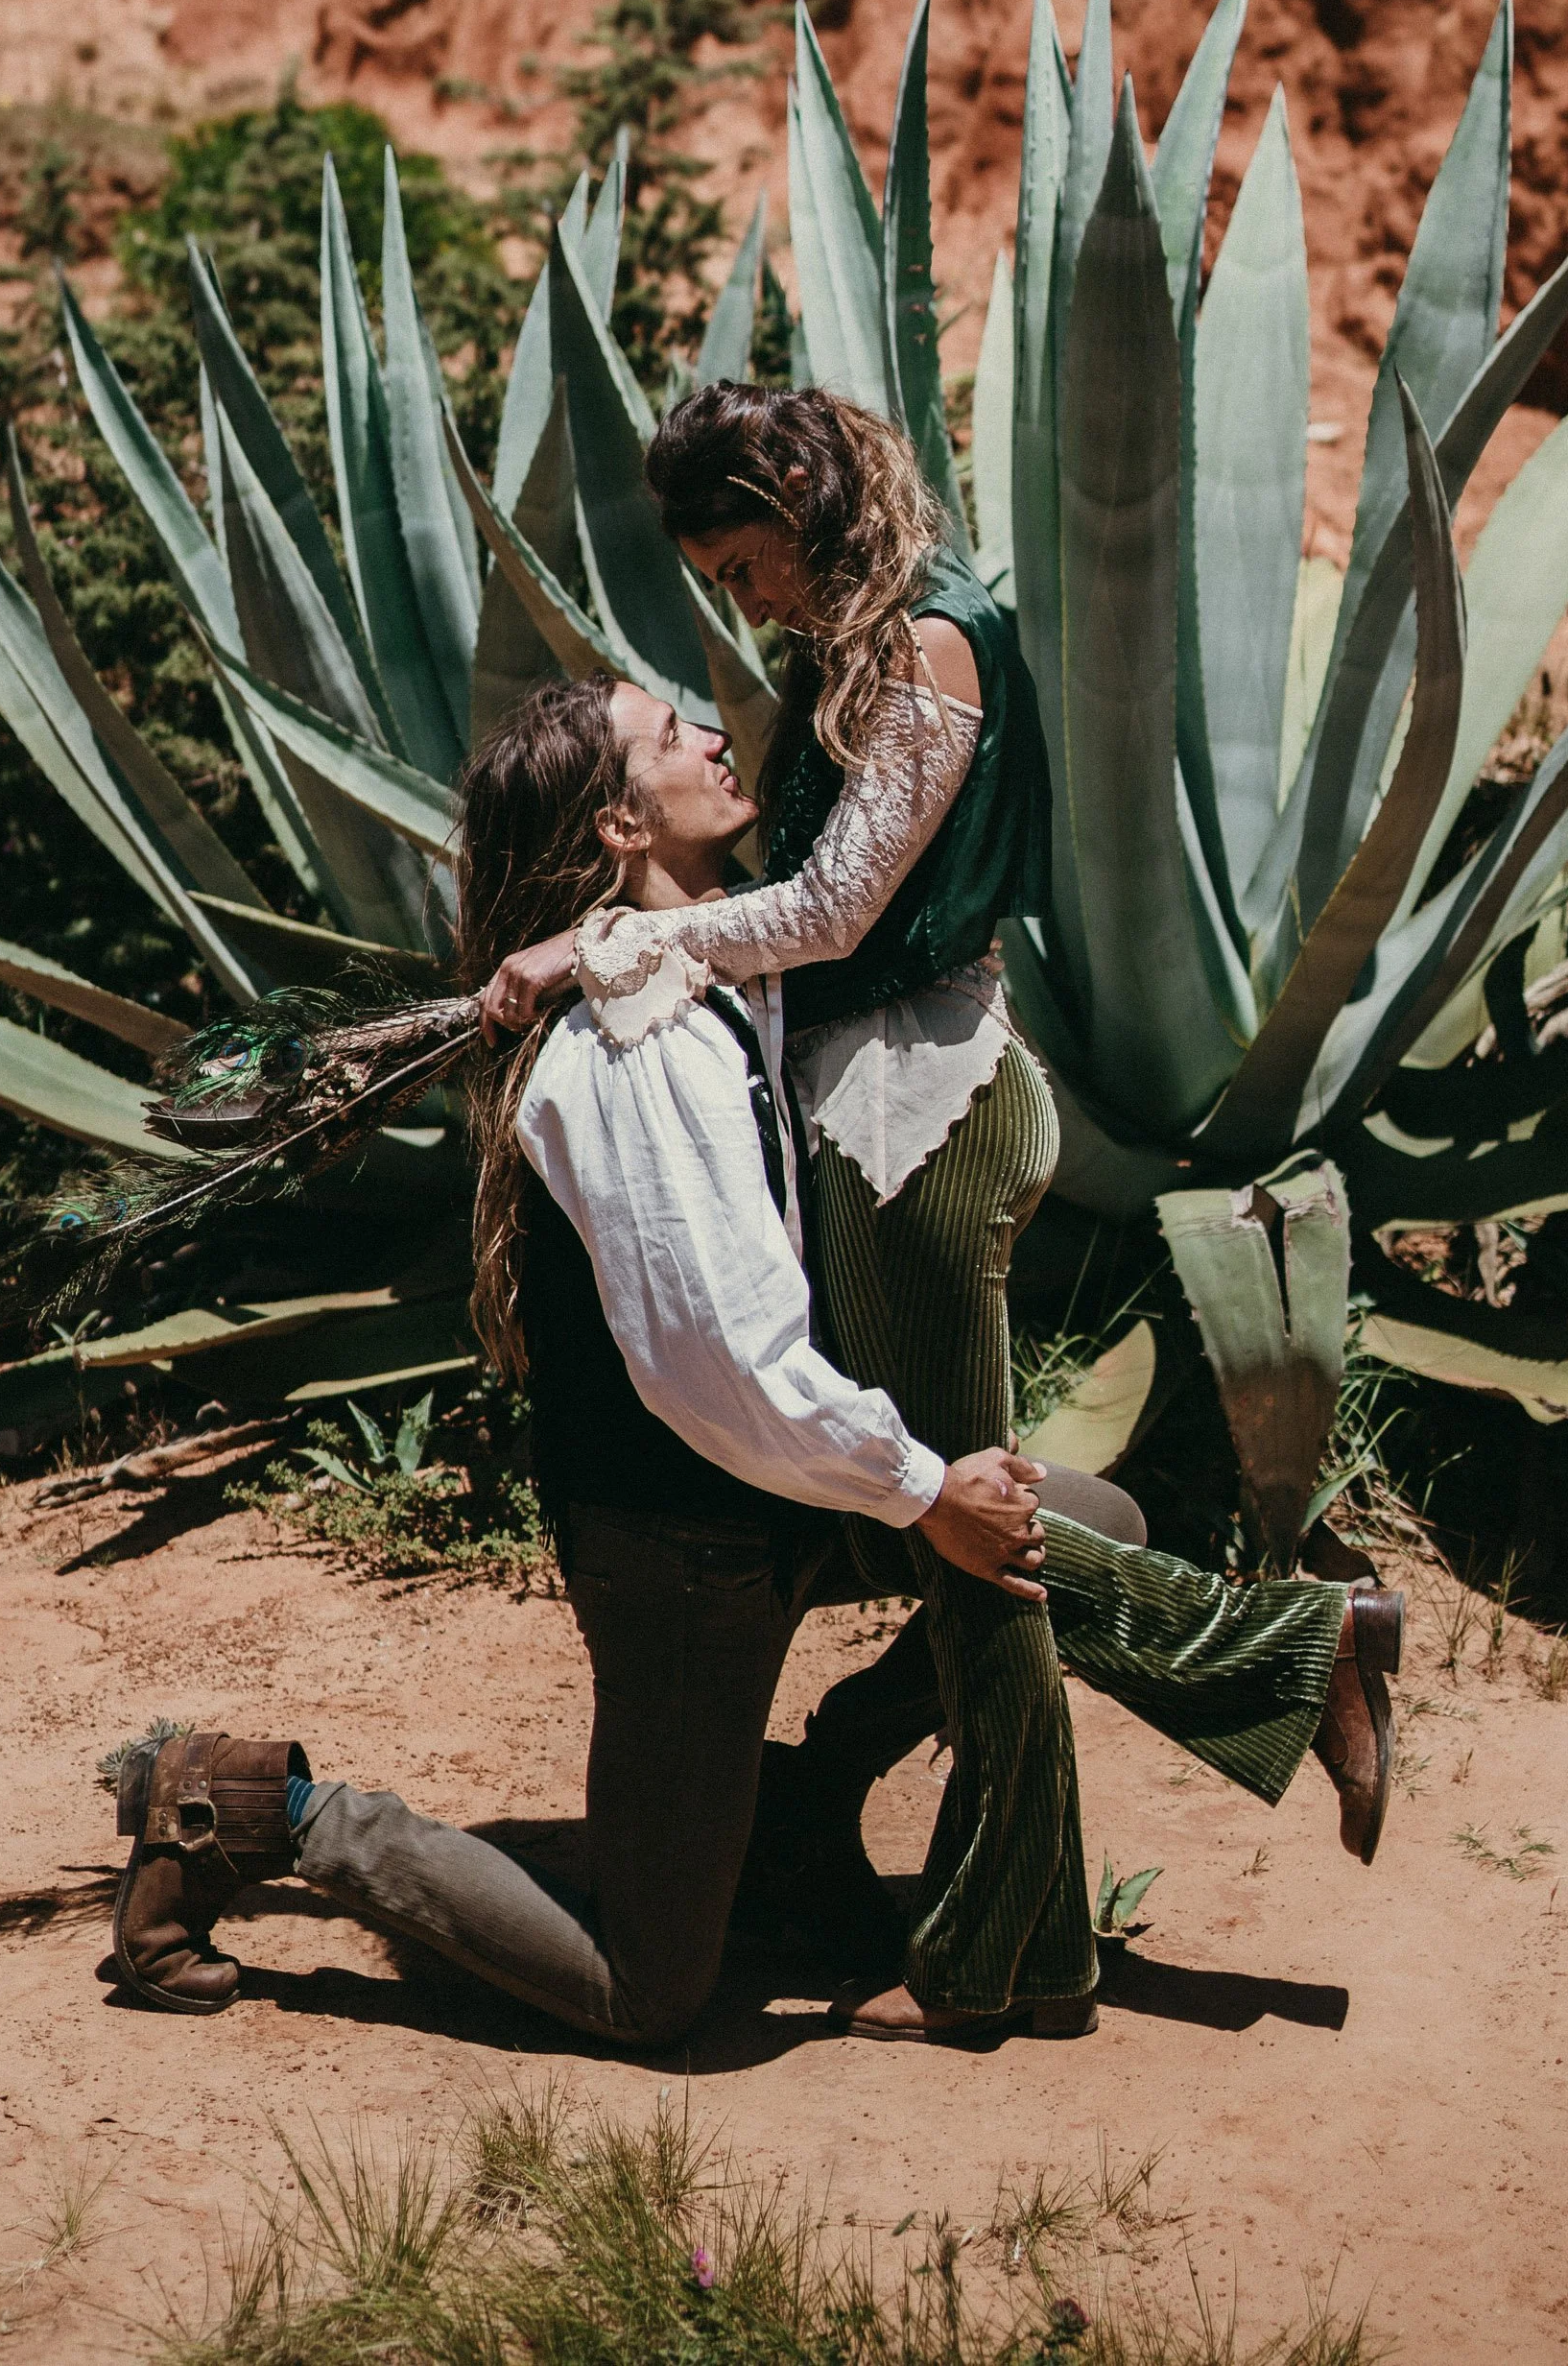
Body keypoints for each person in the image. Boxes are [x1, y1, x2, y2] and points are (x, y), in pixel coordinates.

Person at [478, 387, 1397, 2042]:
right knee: (964, 1519)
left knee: (972, 1537)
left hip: (913, 1112)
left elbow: (835, 912)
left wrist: (605, 943)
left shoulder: (922, 653)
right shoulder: (857, 645)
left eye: (745, 561)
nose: (742, 609)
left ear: (792, 499)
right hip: (881, 1101)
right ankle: (1073, 1852)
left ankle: (1031, 1932)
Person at [107, 673, 1073, 2041]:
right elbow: (723, 1359)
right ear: (623, 822)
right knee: (650, 1987)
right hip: (687, 1549)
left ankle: (788, 1812)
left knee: (1090, 1532)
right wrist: (923, 1493)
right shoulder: (636, 1050)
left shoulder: (698, 963)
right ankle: (245, 1805)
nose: (717, 734)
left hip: (782, 1492)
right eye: (674, 735)